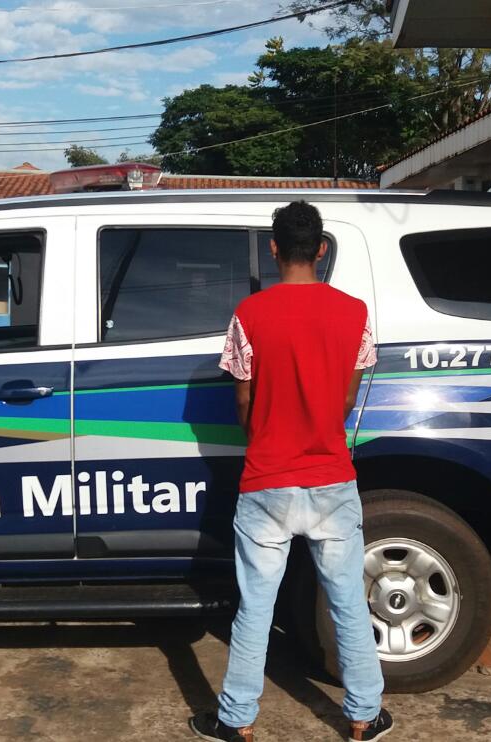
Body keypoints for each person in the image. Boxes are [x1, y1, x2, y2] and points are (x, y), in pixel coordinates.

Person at [190, 201, 392, 742]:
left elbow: (243, 399)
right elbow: (346, 397)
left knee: (255, 608)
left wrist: (264, 434)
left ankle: (236, 720)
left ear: (274, 248)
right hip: (332, 477)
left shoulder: (249, 314)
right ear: (321, 249)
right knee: (348, 603)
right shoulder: (354, 314)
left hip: (267, 479)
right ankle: (364, 716)